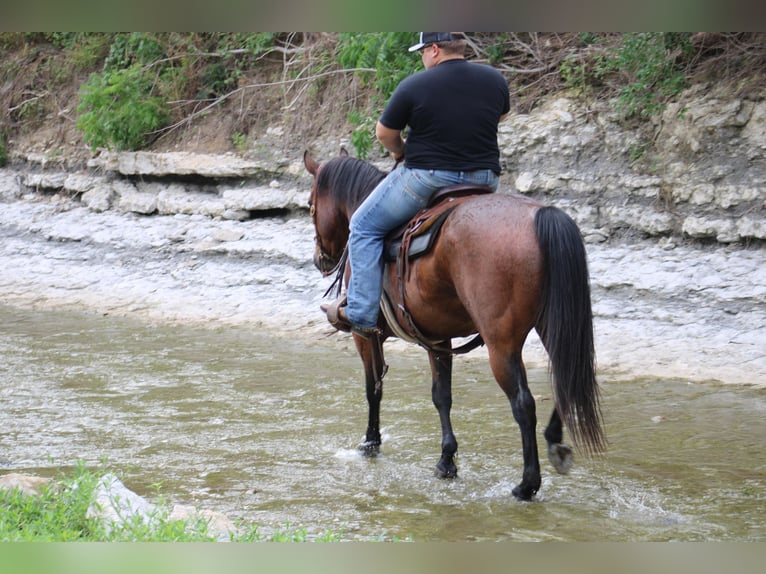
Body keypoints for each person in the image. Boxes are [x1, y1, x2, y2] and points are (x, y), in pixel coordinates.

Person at [323, 32, 510, 337]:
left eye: (423, 51)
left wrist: (400, 150)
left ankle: (359, 312)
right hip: (484, 179)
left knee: (363, 226)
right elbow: (499, 116)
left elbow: (384, 133)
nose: (423, 58)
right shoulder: (494, 80)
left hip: (428, 177)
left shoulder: (415, 85)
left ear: (434, 49)